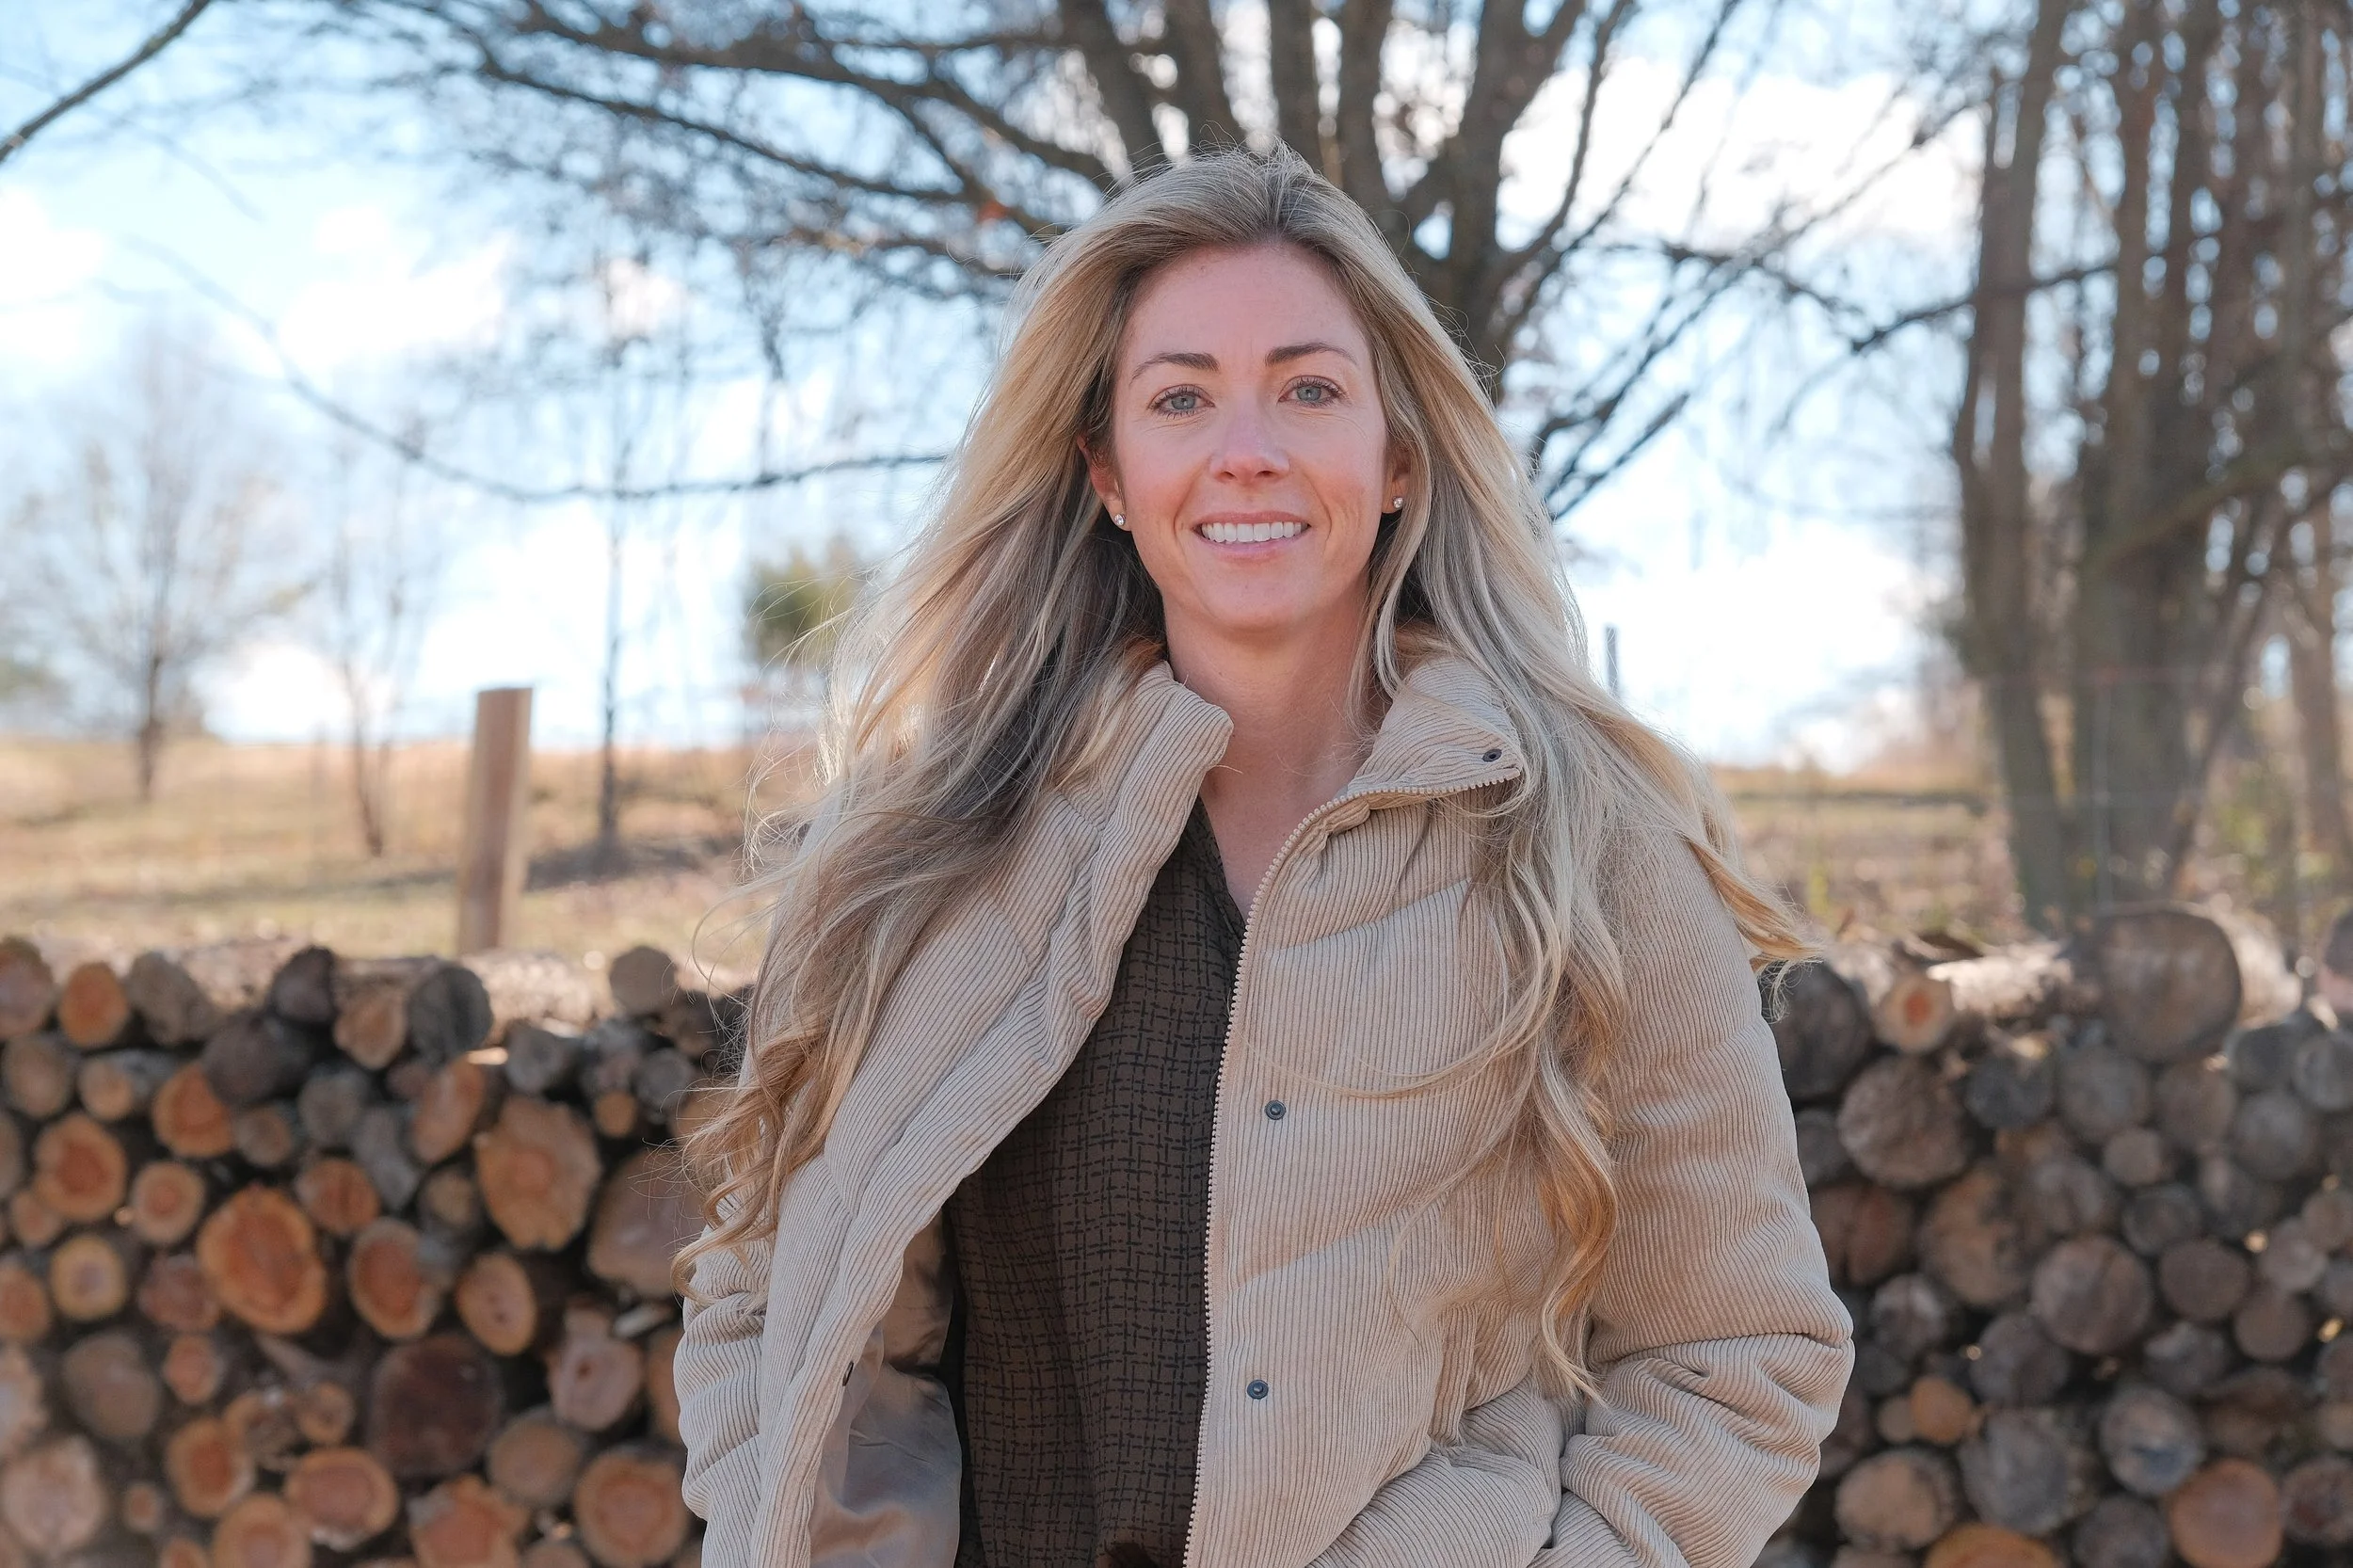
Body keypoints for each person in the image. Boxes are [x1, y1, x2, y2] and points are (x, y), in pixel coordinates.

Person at [672, 146, 1852, 1568]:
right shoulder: (922, 854)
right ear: (1106, 472)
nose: (1249, 449)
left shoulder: (1579, 850)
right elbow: (760, 1299)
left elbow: (1740, 1343)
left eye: (1308, 389)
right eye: (1181, 398)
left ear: (1395, 454)